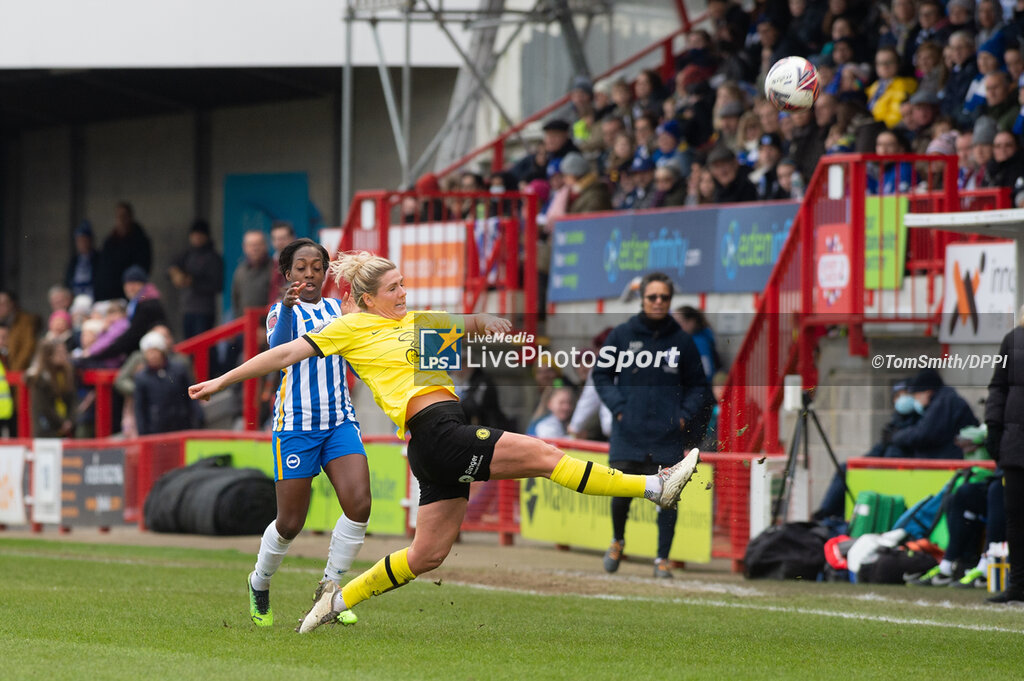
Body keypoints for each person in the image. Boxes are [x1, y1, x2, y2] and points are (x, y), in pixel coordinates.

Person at [189, 251, 701, 632]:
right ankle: (654, 488)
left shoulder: (417, 323)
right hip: (437, 432)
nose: (403, 293)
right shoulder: (352, 327)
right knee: (546, 457)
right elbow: (280, 358)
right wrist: (221, 381)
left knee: (427, 554)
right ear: (369, 298)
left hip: (434, 443)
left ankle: (334, 602)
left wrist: (494, 327)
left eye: (403, 284)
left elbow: (468, 325)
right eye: (394, 288)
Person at [242, 238, 371, 628]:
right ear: (287, 274)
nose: (310, 273)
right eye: (301, 267)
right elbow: (278, 349)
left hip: (338, 422)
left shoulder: (338, 310)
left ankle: (330, 592)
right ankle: (259, 581)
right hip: (295, 427)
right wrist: (284, 307)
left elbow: (360, 352)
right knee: (290, 523)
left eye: (317, 266)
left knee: (360, 503)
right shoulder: (280, 313)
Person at [591, 272, 714, 579]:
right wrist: (620, 409)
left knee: (669, 495)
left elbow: (699, 385)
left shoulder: (682, 341)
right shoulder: (621, 335)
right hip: (628, 432)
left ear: (670, 301)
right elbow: (601, 375)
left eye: (664, 298)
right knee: (619, 490)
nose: (658, 302)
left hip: (667, 434)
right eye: (652, 297)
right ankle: (618, 540)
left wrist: (683, 415)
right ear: (642, 299)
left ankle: (662, 559)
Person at [985, 306, 1024, 603]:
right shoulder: (1013, 341)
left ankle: (1017, 586)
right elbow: (998, 389)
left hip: (1013, 444)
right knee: (1015, 517)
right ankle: (1018, 585)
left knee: (1016, 517)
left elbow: (997, 389)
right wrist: (994, 429)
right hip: (1014, 444)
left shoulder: (1012, 340)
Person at [84, 266, 167, 364]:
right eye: (127, 284)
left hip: (145, 355)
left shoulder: (147, 304)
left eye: (134, 283)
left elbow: (131, 336)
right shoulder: (136, 303)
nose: (130, 287)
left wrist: (100, 354)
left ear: (143, 284)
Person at [133, 330, 203, 435]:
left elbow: (191, 396)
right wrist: (143, 433)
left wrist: (198, 417)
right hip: (157, 430)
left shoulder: (179, 369)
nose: (152, 356)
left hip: (182, 424)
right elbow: (140, 409)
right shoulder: (141, 377)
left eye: (155, 351)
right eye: (149, 352)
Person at [168, 219, 224, 339]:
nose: (196, 238)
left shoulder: (213, 257)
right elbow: (171, 266)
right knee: (188, 344)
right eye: (194, 235)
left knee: (203, 344)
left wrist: (192, 282)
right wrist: (175, 273)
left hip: (204, 310)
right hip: (187, 308)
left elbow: (217, 285)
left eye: (200, 235)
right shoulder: (187, 254)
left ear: (206, 236)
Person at [93, 201, 153, 302]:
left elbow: (142, 270)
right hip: (108, 295)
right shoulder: (110, 241)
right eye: (118, 216)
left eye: (124, 216)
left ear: (130, 217)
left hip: (130, 295)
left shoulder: (140, 240)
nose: (121, 219)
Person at [26, 338, 76, 438]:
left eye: (64, 351)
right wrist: (61, 423)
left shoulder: (67, 374)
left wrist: (70, 421)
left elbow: (72, 400)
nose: (64, 355)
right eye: (59, 352)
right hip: (47, 429)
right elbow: (43, 407)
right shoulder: (39, 378)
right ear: (48, 356)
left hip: (66, 428)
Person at [231, 230, 273, 320]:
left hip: (268, 327)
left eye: (258, 244)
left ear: (265, 246)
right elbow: (236, 300)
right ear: (244, 247)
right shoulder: (240, 271)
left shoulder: (274, 269)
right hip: (244, 326)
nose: (255, 248)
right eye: (251, 245)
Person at [0, 290, 41, 372]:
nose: (0, 307)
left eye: (3, 304)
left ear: (12, 304)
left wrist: (14, 371)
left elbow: (27, 348)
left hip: (17, 371)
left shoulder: (25, 322)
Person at [64, 220, 99, 298]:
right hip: (75, 297)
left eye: (84, 240)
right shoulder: (74, 261)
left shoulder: (99, 259)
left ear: (90, 240)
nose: (82, 244)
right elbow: (67, 283)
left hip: (93, 297)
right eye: (79, 240)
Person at [268, 221, 296, 305]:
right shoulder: (268, 264)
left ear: (293, 238)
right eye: (276, 239)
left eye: (283, 238)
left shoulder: (301, 262)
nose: (280, 242)